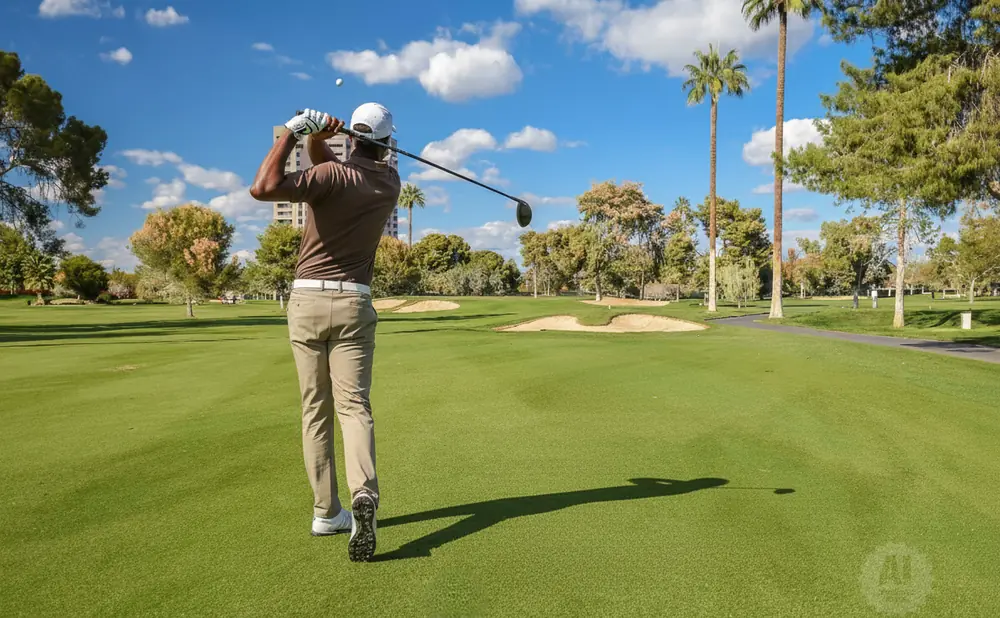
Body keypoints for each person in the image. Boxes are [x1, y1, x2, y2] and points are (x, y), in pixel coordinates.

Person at [249, 103, 401, 562]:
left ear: (351, 140)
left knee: (316, 410)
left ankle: (325, 511)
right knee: (354, 408)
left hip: (307, 302)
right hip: (354, 301)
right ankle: (364, 497)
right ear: (388, 144)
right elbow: (336, 173)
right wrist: (321, 139)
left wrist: (295, 133)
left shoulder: (333, 177)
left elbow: (263, 188)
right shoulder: (388, 183)